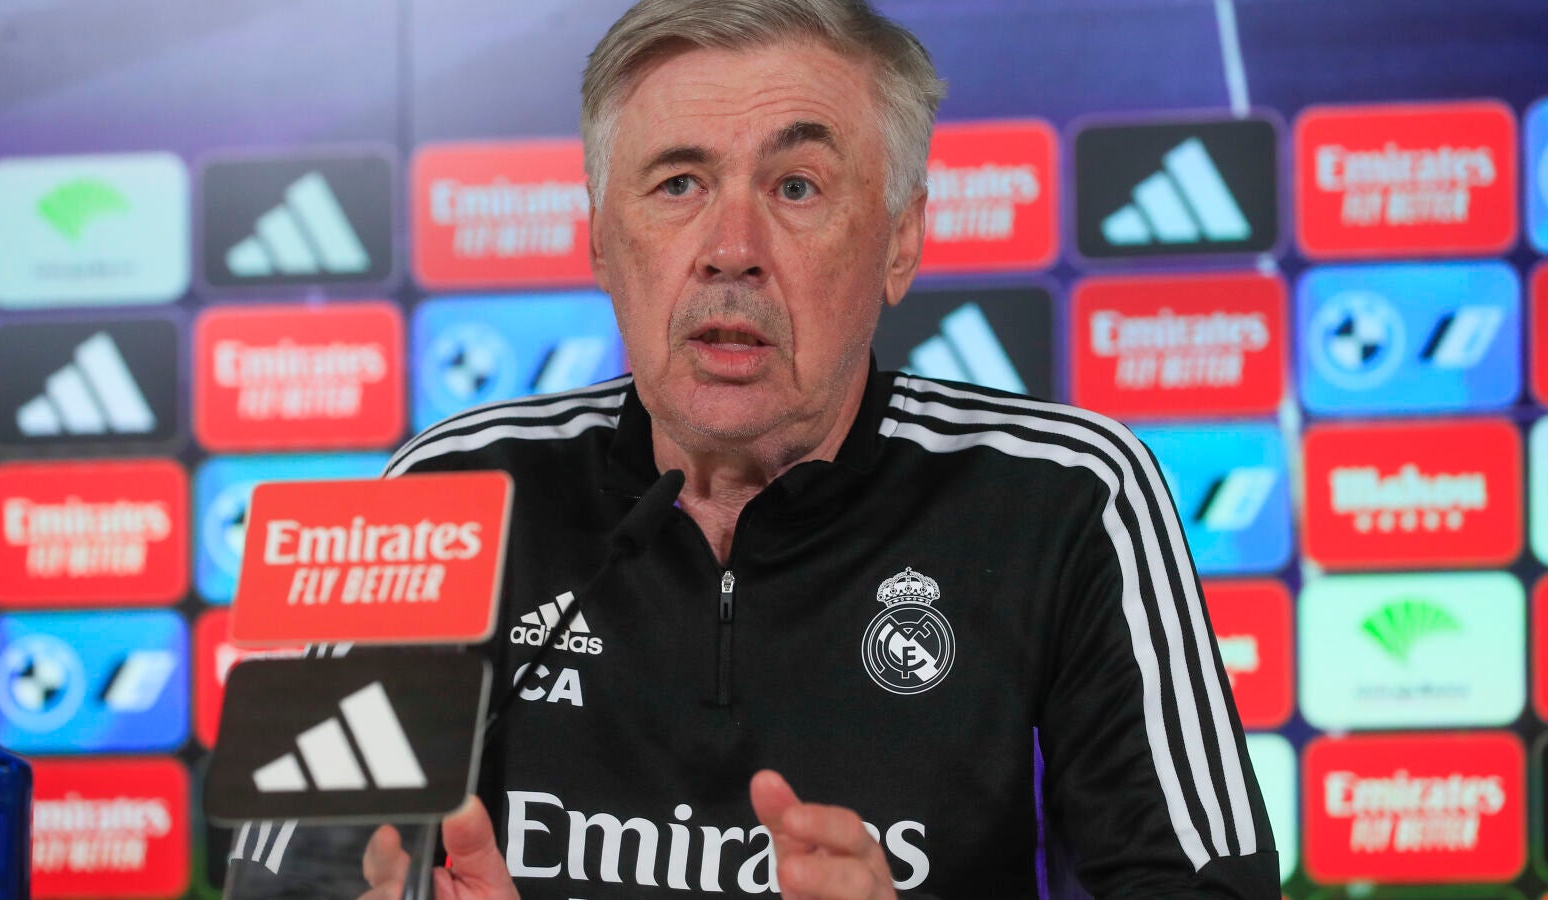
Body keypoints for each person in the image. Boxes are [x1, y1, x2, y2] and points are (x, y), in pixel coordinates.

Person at [357, 0, 1279, 896]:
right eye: (679, 184)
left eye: (796, 187)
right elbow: (303, 872)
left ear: (901, 240)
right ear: (600, 237)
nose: (732, 249)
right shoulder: (448, 495)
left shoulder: (1067, 495)